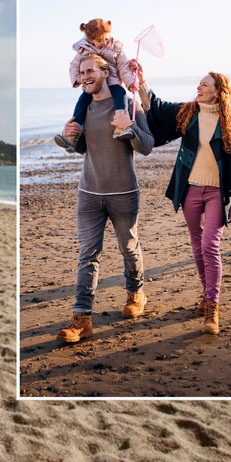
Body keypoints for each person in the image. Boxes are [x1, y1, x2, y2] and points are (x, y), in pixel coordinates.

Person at [134, 61, 231, 335]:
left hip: (216, 193)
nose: (198, 88)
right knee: (197, 244)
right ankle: (206, 292)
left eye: (204, 85)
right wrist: (141, 81)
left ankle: (212, 307)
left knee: (210, 246)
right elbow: (158, 107)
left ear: (218, 92)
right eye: (199, 84)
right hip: (190, 189)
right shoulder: (188, 113)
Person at [56, 53, 154, 343]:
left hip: (124, 192)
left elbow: (146, 146)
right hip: (89, 192)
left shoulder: (126, 104)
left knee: (128, 247)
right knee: (88, 254)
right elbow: (85, 148)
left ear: (104, 72)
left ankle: (136, 294)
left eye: (89, 71)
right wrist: (69, 136)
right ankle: (81, 318)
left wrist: (129, 127)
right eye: (81, 72)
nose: (84, 76)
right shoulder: (83, 108)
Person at [55, 18, 139, 152]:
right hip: (93, 86)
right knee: (82, 102)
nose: (104, 43)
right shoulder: (84, 50)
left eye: (106, 38)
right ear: (90, 40)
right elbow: (73, 66)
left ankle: (120, 127)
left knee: (121, 95)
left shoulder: (115, 48)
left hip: (113, 82)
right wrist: (77, 79)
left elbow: (123, 66)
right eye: (99, 41)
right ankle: (73, 134)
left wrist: (130, 83)